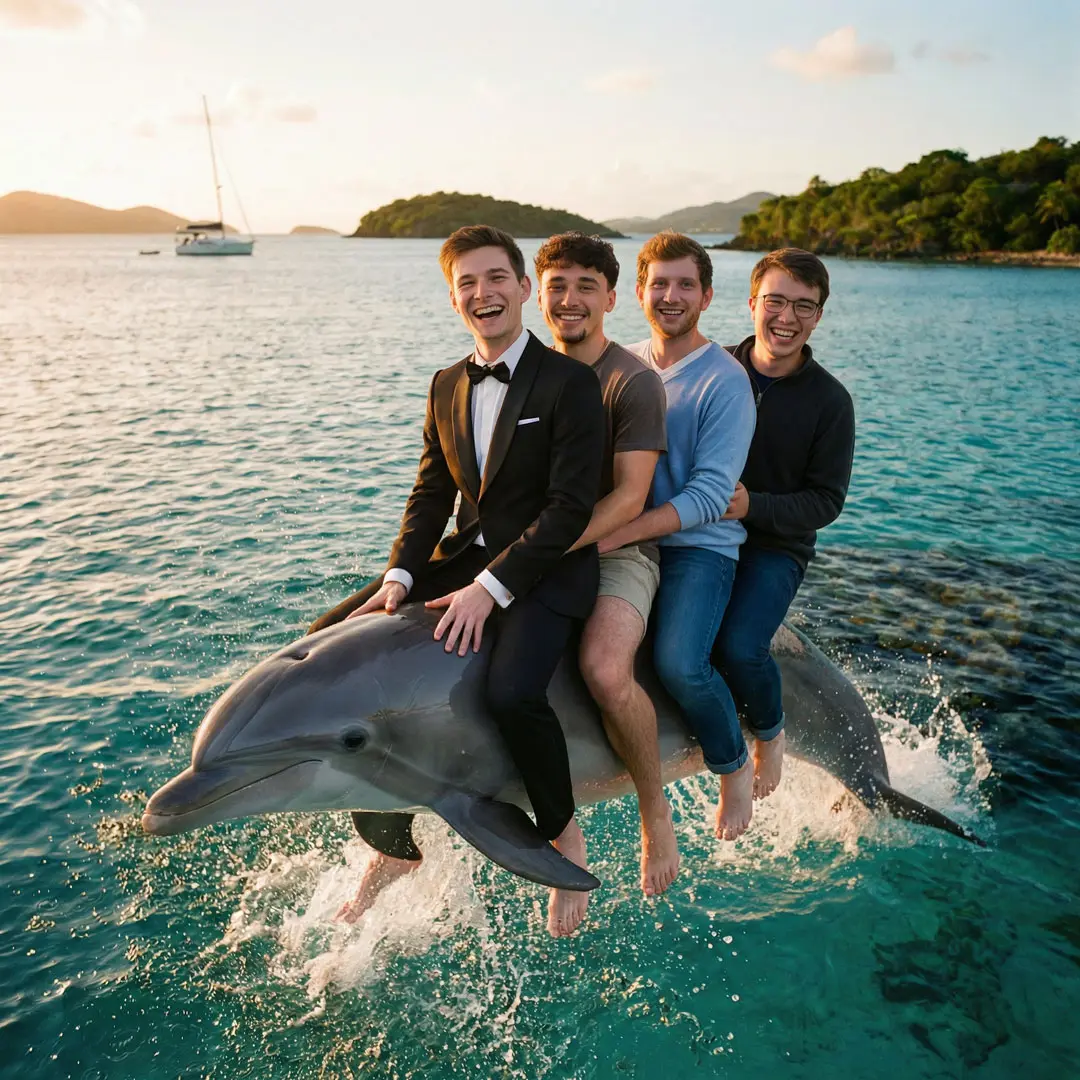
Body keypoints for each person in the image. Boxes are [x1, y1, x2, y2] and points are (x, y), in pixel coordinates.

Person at [308, 225, 605, 937]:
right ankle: (393, 844)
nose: (484, 293)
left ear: (523, 288)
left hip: (549, 568)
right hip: (466, 556)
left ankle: (563, 835)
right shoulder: (446, 383)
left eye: (496, 278)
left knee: (513, 690)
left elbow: (571, 509)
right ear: (453, 298)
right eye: (468, 283)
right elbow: (430, 494)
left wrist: (491, 589)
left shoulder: (570, 383)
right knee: (328, 647)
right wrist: (401, 576)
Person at [533, 232, 680, 899]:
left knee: (604, 667)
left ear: (612, 299)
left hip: (618, 550)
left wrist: (545, 552)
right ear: (539, 294)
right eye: (557, 286)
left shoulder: (632, 381)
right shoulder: (522, 371)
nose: (569, 300)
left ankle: (655, 810)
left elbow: (629, 499)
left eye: (585, 287)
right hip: (533, 552)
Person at [598, 232, 759, 841]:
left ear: (707, 295)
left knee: (680, 664)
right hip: (627, 541)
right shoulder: (621, 363)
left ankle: (732, 763)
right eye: (659, 283)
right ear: (637, 292)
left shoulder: (725, 380)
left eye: (685, 284)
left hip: (698, 548)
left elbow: (711, 496)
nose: (670, 296)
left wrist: (615, 537)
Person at [712, 248, 855, 798]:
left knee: (741, 647)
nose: (786, 318)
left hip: (773, 547)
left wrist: (755, 506)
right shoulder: (714, 366)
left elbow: (826, 501)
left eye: (804, 306)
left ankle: (769, 736)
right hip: (698, 534)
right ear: (752, 303)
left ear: (819, 316)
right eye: (775, 301)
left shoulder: (830, 401)